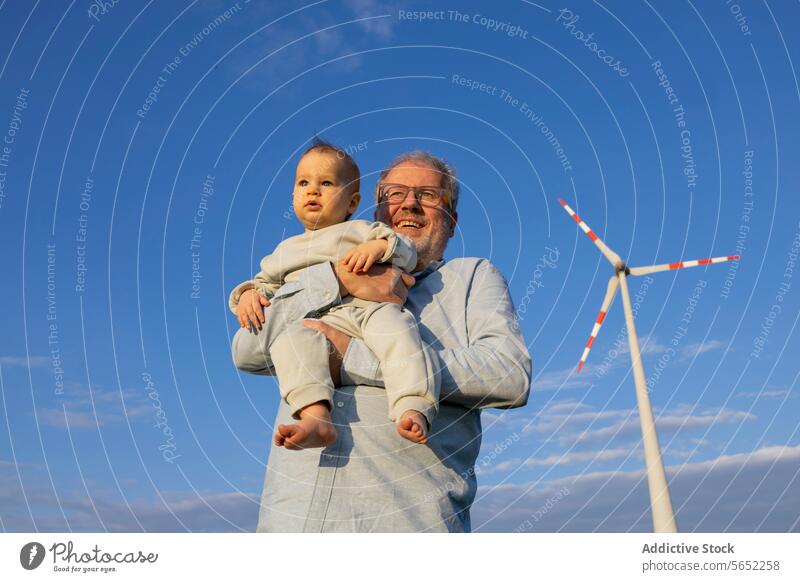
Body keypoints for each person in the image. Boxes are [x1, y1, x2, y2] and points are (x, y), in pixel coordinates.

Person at [232, 150, 531, 532]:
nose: (410, 203)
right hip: (294, 520)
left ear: (452, 221)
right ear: (374, 213)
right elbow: (247, 350)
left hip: (407, 524)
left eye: (428, 195)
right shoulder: (309, 272)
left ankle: (412, 403)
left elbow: (509, 376)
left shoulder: (471, 277)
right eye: (395, 193)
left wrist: (350, 357)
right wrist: (338, 282)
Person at [229, 140, 438, 447]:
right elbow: (264, 285)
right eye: (303, 183)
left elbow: (404, 250)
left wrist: (378, 247)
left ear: (352, 203)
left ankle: (413, 405)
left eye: (326, 183)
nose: (312, 190)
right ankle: (315, 417)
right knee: (292, 341)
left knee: (399, 331)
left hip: (368, 312)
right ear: (293, 196)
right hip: (318, 323)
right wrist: (247, 293)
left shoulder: (361, 230)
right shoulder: (285, 251)